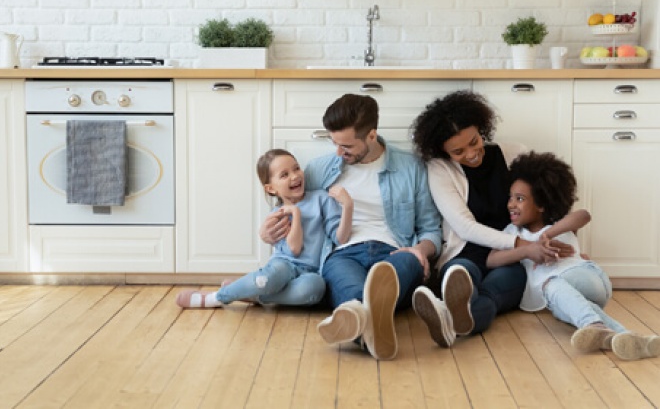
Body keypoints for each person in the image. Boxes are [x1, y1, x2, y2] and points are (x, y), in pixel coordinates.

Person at [260, 94, 442, 360]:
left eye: (346, 146)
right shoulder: (320, 170)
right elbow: (288, 204)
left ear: (371, 136)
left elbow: (430, 228)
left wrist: (420, 250)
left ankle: (359, 327)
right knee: (352, 291)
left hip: (395, 252)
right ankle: (373, 325)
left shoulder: (410, 167)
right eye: (334, 143)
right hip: (342, 253)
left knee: (403, 267)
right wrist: (267, 233)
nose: (338, 153)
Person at [410, 89, 572, 348]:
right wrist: (522, 245)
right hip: (467, 252)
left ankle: (448, 318)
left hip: (513, 259)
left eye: (474, 142)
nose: (471, 153)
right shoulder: (439, 169)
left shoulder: (514, 153)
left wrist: (569, 250)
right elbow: (464, 227)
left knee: (491, 295)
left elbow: (546, 203)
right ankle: (456, 308)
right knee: (460, 275)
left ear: (481, 129)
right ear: (443, 151)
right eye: (458, 151)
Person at [487, 151, 660, 361]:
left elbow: (584, 215)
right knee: (576, 309)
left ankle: (593, 325)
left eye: (520, 199)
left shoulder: (557, 225)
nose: (511, 204)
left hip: (585, 277)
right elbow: (491, 259)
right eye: (511, 198)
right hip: (562, 300)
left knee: (551, 286)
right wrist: (527, 250)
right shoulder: (512, 233)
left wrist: (547, 235)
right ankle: (630, 339)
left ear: (541, 205)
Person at [176, 149, 353, 309]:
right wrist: (296, 213)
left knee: (315, 289)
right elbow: (294, 249)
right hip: (284, 265)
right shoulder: (277, 214)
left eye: (296, 168)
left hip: (312, 271)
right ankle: (215, 297)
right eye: (284, 175)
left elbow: (340, 238)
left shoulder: (321, 199)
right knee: (265, 279)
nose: (295, 176)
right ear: (271, 188)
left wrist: (347, 207)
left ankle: (252, 295)